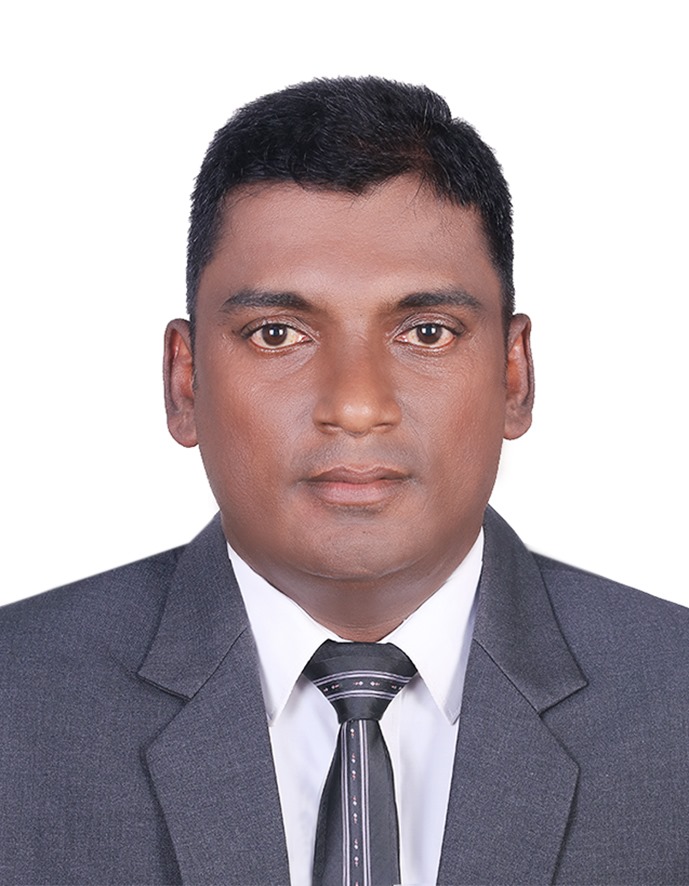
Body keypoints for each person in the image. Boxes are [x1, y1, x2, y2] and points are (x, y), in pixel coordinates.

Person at [1, 76, 688, 886]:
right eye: (277, 333)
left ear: (513, 376)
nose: (356, 406)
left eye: (426, 332)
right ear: (184, 383)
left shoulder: (672, 701)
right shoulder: (19, 702)